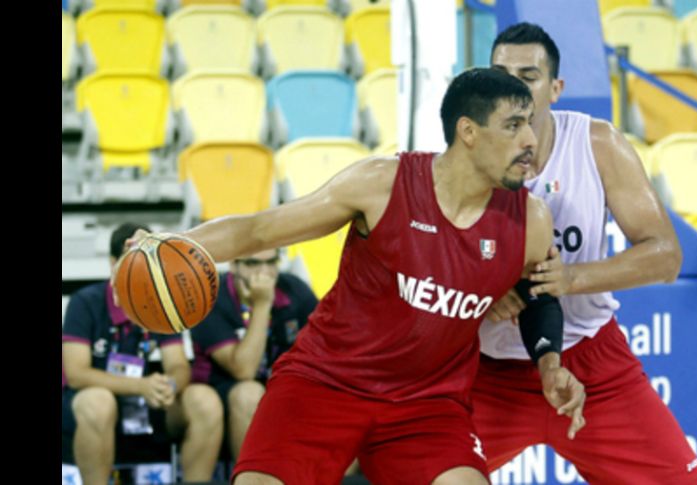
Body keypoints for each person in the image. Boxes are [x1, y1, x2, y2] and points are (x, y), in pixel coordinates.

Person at [128, 68, 585, 485]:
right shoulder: (382, 184)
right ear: (468, 131)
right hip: (324, 382)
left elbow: (538, 296)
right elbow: (259, 229)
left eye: (530, 122)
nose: (531, 138)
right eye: (514, 125)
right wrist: (175, 244)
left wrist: (550, 365)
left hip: (426, 404)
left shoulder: (530, 220)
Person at [472, 23, 697, 484]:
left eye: (528, 75)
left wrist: (572, 279)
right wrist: (481, 292)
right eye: (500, 72)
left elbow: (666, 256)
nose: (511, 86)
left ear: (556, 88)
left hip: (589, 358)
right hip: (487, 366)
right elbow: (430, 255)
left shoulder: (596, 143)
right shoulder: (465, 153)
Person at [62, 223, 223, 485]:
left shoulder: (161, 300)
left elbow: (178, 365)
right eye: (133, 262)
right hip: (92, 402)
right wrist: (139, 386)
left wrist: (167, 385)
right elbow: (77, 374)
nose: (141, 270)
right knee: (98, 402)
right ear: (113, 264)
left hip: (145, 404)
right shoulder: (85, 302)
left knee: (204, 399)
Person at [188, 247, 318, 461]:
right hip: (222, 393)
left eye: (271, 262)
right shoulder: (209, 297)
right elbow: (244, 370)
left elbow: (329, 343)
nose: (264, 272)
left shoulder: (294, 289)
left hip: (281, 388)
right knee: (250, 393)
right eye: (252, 264)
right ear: (233, 265)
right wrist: (263, 304)